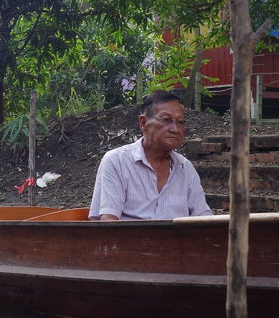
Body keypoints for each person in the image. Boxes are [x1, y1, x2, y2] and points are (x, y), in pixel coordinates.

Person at [88, 90, 213, 221]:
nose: (175, 129)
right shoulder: (116, 161)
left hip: (177, 241)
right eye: (166, 120)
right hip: (127, 241)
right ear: (143, 123)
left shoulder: (185, 168)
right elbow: (108, 223)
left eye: (180, 122)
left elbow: (204, 219)